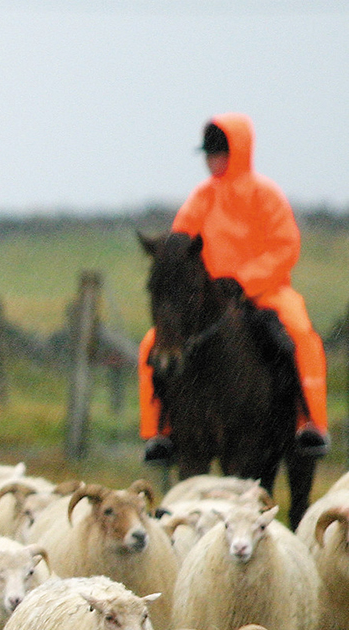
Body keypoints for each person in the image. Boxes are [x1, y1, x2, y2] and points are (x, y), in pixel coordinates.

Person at [140, 115, 329, 462]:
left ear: (237, 152)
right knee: (151, 343)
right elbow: (181, 241)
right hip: (210, 296)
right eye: (208, 155)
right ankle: (159, 433)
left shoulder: (265, 194)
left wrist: (244, 280)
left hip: (265, 290)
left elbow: (285, 247)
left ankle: (310, 424)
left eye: (219, 153)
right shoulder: (201, 197)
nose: (212, 161)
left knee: (302, 334)